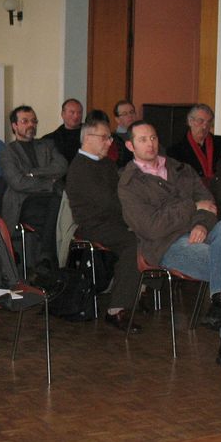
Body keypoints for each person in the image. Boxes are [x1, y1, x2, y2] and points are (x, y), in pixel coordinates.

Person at [119, 121, 221, 372]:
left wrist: (200, 224)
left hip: (200, 232)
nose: (150, 143)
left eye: (153, 137)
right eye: (143, 139)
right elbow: (152, 227)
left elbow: (208, 203)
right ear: (130, 145)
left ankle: (219, 303)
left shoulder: (180, 168)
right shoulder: (129, 184)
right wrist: (192, 208)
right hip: (165, 245)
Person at [64, 117, 141, 331]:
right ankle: (116, 309)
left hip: (113, 221)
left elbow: (120, 195)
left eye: (110, 138)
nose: (110, 142)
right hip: (94, 225)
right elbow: (108, 202)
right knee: (132, 242)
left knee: (150, 232)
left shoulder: (105, 163)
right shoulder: (80, 167)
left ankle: (138, 287)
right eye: (105, 137)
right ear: (88, 138)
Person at [0, 105, 68, 273]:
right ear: (14, 126)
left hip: (47, 202)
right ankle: (48, 258)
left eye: (33, 121)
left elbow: (61, 166)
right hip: (23, 203)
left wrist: (32, 173)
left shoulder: (47, 145)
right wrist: (48, 183)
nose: (31, 125)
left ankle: (45, 259)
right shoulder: (8, 152)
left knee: (59, 205)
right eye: (25, 121)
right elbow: (18, 183)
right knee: (58, 202)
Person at [167, 103, 221, 183]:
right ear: (190, 121)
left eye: (209, 122)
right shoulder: (176, 151)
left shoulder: (220, 144)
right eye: (200, 121)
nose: (205, 127)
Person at [41, 98, 84, 163]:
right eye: (72, 112)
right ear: (63, 114)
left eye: (79, 113)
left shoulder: (90, 135)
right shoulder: (50, 140)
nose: (76, 116)